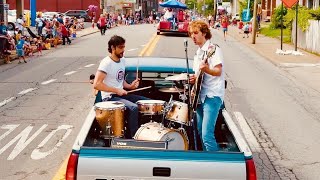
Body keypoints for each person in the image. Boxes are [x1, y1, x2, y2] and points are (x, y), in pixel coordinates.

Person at [93, 35, 149, 138]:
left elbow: (120, 79)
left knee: (146, 103)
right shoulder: (106, 63)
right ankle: (134, 138)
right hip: (109, 98)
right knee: (133, 108)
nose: (123, 50)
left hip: (121, 95)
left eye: (123, 47)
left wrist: (130, 86)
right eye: (120, 47)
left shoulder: (122, 60)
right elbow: (97, 84)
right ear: (113, 48)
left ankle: (145, 131)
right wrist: (116, 90)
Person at [188, 20, 225, 151]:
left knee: (207, 135)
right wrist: (193, 79)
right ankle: (206, 160)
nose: (193, 36)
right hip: (200, 96)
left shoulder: (214, 50)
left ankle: (215, 166)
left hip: (212, 96)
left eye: (196, 33)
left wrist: (207, 69)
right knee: (199, 132)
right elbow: (199, 75)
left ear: (204, 33)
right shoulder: (198, 53)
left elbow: (218, 71)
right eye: (191, 33)